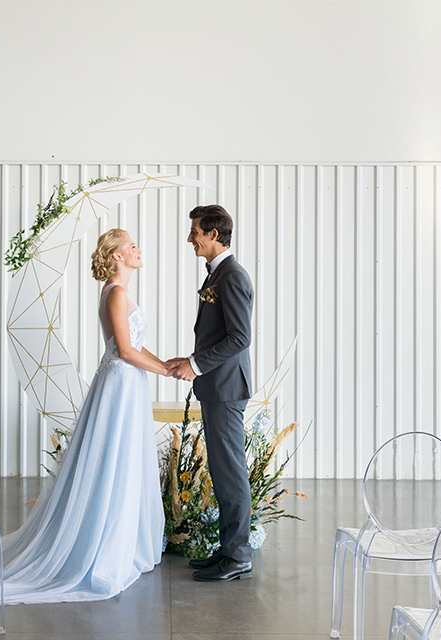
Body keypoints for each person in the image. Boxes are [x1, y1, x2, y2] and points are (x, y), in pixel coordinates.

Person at [0, 228, 169, 605]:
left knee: (123, 461)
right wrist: (168, 371)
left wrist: (165, 364)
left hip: (128, 384)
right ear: (116, 256)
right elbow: (127, 351)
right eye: (132, 246)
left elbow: (134, 347)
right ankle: (103, 543)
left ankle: (117, 535)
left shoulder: (120, 293)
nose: (138, 249)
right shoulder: (115, 293)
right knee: (113, 459)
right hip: (120, 383)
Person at [167, 204, 254, 582]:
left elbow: (239, 337)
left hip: (225, 387)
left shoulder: (232, 276)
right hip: (218, 387)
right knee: (221, 471)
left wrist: (196, 366)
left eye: (195, 232)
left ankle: (238, 558)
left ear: (214, 234)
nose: (190, 239)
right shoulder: (218, 274)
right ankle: (228, 551)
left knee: (230, 472)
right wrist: (188, 358)